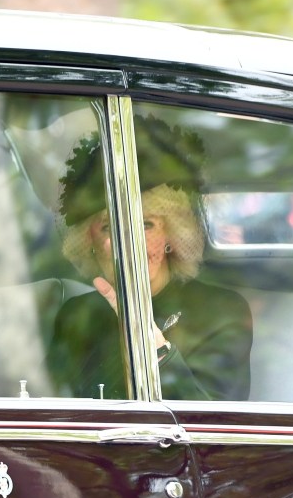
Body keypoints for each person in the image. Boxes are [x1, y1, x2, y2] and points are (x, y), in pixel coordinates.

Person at [46, 114, 253, 400]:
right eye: (109, 226)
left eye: (146, 225)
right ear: (89, 243)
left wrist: (154, 350)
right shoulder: (75, 316)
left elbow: (217, 432)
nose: (129, 242)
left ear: (172, 236)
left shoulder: (222, 311)